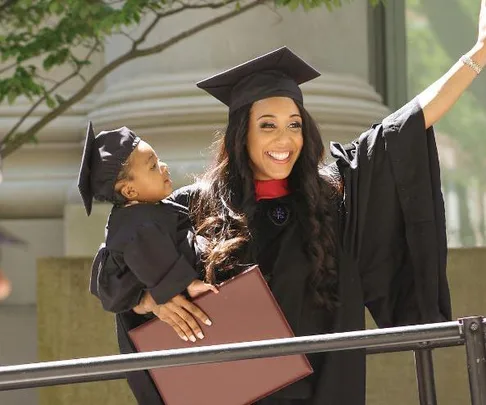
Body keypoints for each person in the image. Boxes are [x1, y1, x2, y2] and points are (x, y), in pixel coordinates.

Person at [96, 2, 486, 403]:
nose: (285, 141)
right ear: (240, 134)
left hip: (324, 392)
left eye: (294, 124)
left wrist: (479, 52)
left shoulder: (333, 198)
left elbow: (404, 127)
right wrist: (153, 300)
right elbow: (112, 271)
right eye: (267, 126)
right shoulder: (193, 208)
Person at [77, 123, 218, 403]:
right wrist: (190, 283)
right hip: (158, 339)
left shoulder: (148, 212)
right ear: (129, 191)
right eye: (153, 166)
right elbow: (154, 258)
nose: (164, 167)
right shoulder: (136, 223)